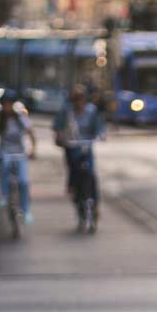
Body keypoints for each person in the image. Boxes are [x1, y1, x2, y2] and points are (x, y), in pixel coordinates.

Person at [52, 85, 105, 229]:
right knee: (74, 175)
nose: (79, 102)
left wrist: (100, 135)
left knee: (91, 175)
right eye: (75, 99)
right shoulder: (66, 111)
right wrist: (59, 137)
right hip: (71, 148)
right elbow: (57, 128)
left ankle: (94, 205)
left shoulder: (91, 111)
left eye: (81, 99)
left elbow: (99, 127)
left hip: (86, 148)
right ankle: (76, 198)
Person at [0, 89, 37, 224]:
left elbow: (31, 133)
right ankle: (3, 195)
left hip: (20, 153)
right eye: (5, 104)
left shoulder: (20, 117)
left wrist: (32, 150)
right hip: (5, 152)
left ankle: (26, 212)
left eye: (10, 103)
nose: (7, 106)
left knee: (24, 182)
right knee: (4, 168)